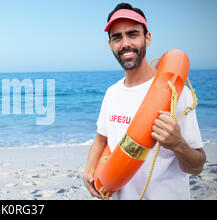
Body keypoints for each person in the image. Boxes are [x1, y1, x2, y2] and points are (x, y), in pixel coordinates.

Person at [83, 3, 206, 200]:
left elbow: (197, 166)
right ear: (110, 45)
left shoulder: (175, 93)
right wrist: (89, 170)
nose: (125, 44)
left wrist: (178, 145)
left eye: (133, 34)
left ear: (147, 38)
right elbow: (101, 140)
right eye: (117, 37)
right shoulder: (112, 93)